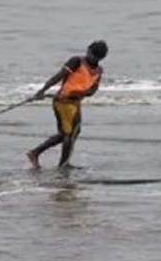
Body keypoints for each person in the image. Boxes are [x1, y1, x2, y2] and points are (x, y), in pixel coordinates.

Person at [26, 40, 108, 169]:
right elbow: (58, 77)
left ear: (100, 57)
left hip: (75, 102)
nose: (90, 55)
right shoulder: (76, 61)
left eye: (93, 55)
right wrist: (42, 91)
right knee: (68, 134)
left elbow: (93, 90)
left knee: (72, 133)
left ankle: (38, 154)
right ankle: (62, 164)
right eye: (90, 53)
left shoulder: (98, 71)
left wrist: (80, 93)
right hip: (62, 102)